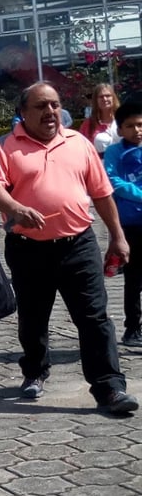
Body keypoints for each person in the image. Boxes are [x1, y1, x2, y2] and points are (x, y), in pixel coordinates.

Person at [0, 81, 137, 415]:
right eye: (40, 106)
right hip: (28, 248)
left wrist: (117, 235)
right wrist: (16, 208)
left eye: (54, 105)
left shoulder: (78, 143)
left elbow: (101, 192)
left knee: (95, 317)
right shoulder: (5, 146)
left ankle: (109, 387)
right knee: (33, 318)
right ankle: (35, 371)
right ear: (23, 113)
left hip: (78, 245)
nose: (50, 112)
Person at [103, 99, 142, 347]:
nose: (137, 130)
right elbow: (110, 180)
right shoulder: (114, 152)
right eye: (130, 126)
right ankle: (132, 329)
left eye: (140, 125)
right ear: (120, 130)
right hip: (130, 226)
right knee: (134, 280)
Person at [80, 83, 120, 157]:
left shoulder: (124, 119)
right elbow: (82, 148)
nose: (105, 99)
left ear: (113, 98)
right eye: (101, 97)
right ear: (96, 100)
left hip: (128, 164)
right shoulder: (88, 124)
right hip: (102, 166)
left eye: (108, 96)